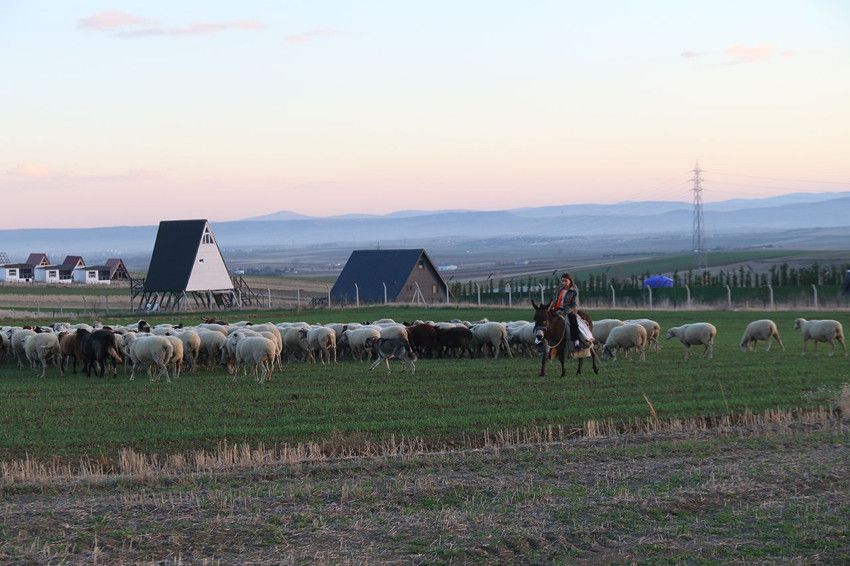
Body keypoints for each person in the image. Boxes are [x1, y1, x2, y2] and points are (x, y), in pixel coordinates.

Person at [550, 272, 587, 349]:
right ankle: (540, 339)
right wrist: (550, 309)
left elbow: (574, 304)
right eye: (562, 281)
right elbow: (555, 300)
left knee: (573, 322)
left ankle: (576, 341)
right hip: (557, 308)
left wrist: (565, 312)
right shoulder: (560, 290)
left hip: (569, 310)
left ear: (570, 281)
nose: (563, 283)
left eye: (565, 281)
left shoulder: (573, 291)